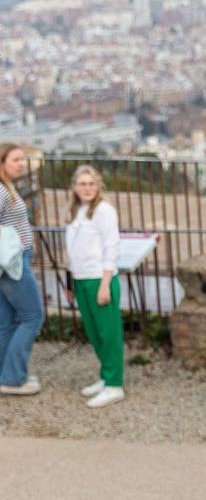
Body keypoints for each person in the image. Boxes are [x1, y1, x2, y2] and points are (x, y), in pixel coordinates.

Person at [65, 165, 126, 408]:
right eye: (82, 183)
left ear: (99, 186)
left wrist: (105, 284)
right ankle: (106, 376)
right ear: (74, 187)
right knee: (94, 331)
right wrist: (72, 282)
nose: (87, 188)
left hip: (99, 278)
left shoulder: (104, 211)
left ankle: (114, 385)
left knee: (108, 333)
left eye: (91, 183)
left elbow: (111, 246)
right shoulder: (77, 210)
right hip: (81, 278)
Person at [0, 144, 44, 396]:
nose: (22, 164)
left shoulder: (7, 187)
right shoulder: (1, 190)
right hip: (11, 262)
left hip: (9, 260)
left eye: (23, 159)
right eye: (16, 159)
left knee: (5, 322)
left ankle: (5, 374)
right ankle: (14, 378)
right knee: (32, 317)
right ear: (2, 161)